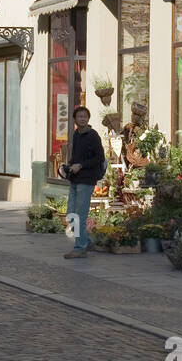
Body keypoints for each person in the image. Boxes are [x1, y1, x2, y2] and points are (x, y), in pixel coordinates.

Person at [63, 106, 105, 259]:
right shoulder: (76, 134)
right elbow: (76, 156)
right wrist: (69, 166)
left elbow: (99, 158)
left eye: (85, 116)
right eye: (79, 116)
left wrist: (81, 165)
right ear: (75, 119)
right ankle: (87, 241)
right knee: (70, 215)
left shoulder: (93, 135)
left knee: (79, 215)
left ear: (88, 119)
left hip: (87, 179)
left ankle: (80, 248)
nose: (82, 119)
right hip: (75, 178)